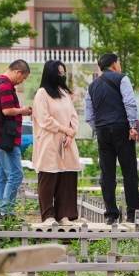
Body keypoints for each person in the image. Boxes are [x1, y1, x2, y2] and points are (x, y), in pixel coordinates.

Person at [84, 53, 139, 226]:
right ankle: (132, 213)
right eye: (119, 62)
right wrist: (132, 125)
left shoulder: (92, 86)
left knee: (107, 173)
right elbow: (130, 103)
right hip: (122, 128)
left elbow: (88, 115)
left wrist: (98, 128)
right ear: (114, 64)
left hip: (102, 131)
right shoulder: (122, 79)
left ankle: (111, 214)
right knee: (129, 171)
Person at [31, 60, 81, 226]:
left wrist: (71, 133)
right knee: (48, 177)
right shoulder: (42, 94)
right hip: (49, 142)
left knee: (66, 177)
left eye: (63, 72)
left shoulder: (65, 93)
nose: (62, 75)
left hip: (67, 143)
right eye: (59, 72)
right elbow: (45, 119)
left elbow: (73, 116)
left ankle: (63, 215)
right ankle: (48, 216)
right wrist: (64, 130)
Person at [0, 59, 32, 224]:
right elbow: (7, 111)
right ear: (17, 72)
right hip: (6, 138)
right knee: (16, 174)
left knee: (1, 175)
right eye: (23, 78)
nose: (22, 81)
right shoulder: (5, 86)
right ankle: (6, 211)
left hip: (0, 137)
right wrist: (23, 111)